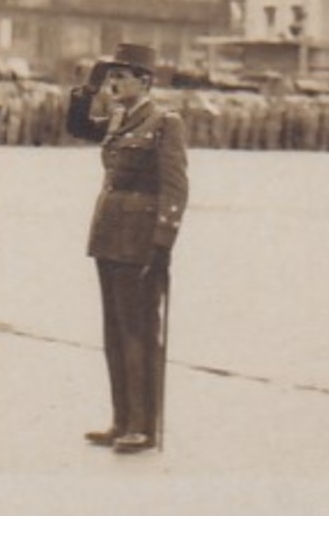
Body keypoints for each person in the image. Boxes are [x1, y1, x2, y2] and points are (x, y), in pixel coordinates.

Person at [66, 43, 189, 454]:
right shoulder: (119, 117)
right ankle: (121, 421)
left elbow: (175, 187)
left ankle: (143, 425)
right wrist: (90, 86)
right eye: (112, 76)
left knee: (138, 333)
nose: (114, 83)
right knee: (115, 332)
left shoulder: (164, 122)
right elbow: (79, 127)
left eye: (122, 76)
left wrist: (162, 242)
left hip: (139, 241)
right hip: (108, 234)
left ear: (145, 81)